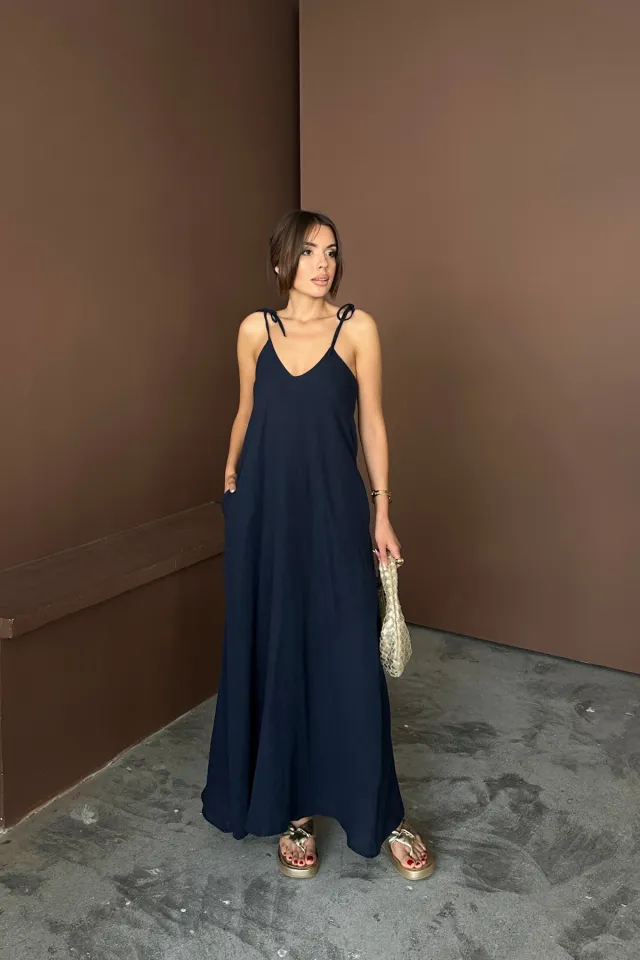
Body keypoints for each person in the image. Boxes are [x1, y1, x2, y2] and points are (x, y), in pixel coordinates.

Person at [201, 210, 435, 880]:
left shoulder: (357, 329)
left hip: (334, 511)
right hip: (264, 513)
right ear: (281, 261)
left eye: (330, 252)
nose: (322, 264)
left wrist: (382, 511)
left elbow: (373, 422)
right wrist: (230, 471)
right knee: (280, 650)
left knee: (349, 655)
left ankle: (378, 812)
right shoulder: (255, 330)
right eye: (308, 252)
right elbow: (247, 410)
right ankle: (294, 812)